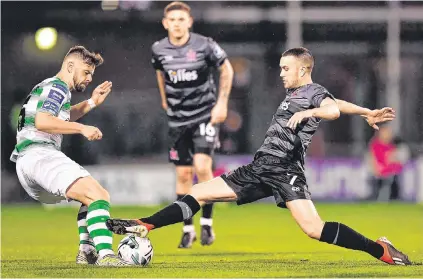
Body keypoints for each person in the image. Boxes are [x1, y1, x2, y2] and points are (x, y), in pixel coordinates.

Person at [106, 47, 411, 265]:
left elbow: (331, 109)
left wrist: (310, 112)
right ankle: (144, 225)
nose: (281, 73)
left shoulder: (312, 93)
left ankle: (380, 250)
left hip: (285, 169)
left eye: (285, 68)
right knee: (198, 192)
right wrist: (365, 111)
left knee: (313, 229)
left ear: (303, 70)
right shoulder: (299, 94)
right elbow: (339, 103)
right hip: (259, 167)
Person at [10, 46, 133, 266]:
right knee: (99, 195)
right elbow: (43, 121)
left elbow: (61, 116)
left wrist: (92, 102)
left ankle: (86, 252)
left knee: (90, 197)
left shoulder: (50, 88)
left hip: (28, 162)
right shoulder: (58, 87)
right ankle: (106, 256)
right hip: (39, 155)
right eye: (86, 72)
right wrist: (82, 129)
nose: (88, 79)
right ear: (69, 66)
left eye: (91, 75)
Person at [150, 1, 234, 248]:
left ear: (189, 22)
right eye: (172, 20)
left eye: (181, 19)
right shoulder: (158, 49)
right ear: (166, 23)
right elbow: (160, 73)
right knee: (184, 174)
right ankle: (188, 229)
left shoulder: (204, 45)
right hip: (177, 121)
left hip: (204, 116)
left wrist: (222, 104)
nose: (176, 23)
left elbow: (227, 70)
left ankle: (207, 225)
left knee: (202, 167)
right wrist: (165, 101)